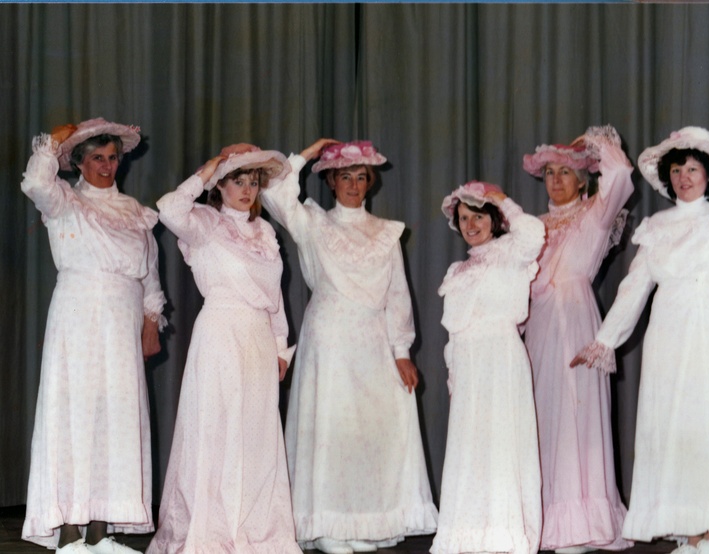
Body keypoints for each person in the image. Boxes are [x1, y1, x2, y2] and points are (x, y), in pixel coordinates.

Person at [572, 126, 709, 554]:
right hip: (669, 338)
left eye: (692, 168)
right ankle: (691, 535)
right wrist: (604, 340)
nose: (683, 177)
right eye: (676, 170)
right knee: (678, 430)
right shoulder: (657, 226)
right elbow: (634, 289)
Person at [249, 139, 437, 554]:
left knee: (367, 432)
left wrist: (401, 352)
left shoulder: (385, 233)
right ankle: (327, 526)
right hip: (330, 338)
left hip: (372, 339)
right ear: (332, 182)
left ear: (370, 182)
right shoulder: (314, 222)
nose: (353, 184)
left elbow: (398, 294)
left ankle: (361, 523)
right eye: (345, 177)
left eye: (360, 177)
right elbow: (274, 192)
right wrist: (311, 151)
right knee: (330, 430)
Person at [20, 118, 166, 554]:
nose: (106, 166)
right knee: (75, 414)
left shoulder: (136, 212)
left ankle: (100, 532)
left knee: (115, 418)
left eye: (113, 158)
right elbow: (35, 182)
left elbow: (149, 276)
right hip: (78, 316)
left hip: (122, 321)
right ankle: (69, 533)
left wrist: (151, 323)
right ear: (79, 163)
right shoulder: (64, 200)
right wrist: (55, 141)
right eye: (97, 158)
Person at [146, 147, 301, 553]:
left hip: (257, 339)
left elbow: (275, 297)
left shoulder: (265, 232)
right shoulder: (205, 223)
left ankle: (253, 528)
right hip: (219, 334)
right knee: (215, 429)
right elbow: (169, 208)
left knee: (255, 434)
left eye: (253, 182)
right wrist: (211, 167)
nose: (247, 190)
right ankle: (212, 528)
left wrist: (280, 347)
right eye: (238, 181)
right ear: (220, 186)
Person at [520, 125, 634, 553]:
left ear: (583, 179)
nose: (556, 180)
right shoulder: (533, 227)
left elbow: (620, 175)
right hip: (538, 326)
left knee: (578, 416)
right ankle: (549, 521)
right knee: (543, 416)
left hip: (576, 320)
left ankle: (584, 523)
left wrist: (595, 143)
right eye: (549, 173)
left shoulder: (594, 215)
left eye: (565, 172)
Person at [431, 181, 545, 554]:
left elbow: (533, 233)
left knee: (502, 446)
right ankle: (469, 538)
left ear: (494, 219)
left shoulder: (512, 251)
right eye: (464, 218)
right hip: (468, 365)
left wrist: (502, 200)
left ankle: (504, 538)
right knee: (469, 450)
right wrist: (454, 375)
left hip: (500, 358)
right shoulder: (457, 270)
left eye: (478, 216)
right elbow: (453, 331)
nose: (471, 225)